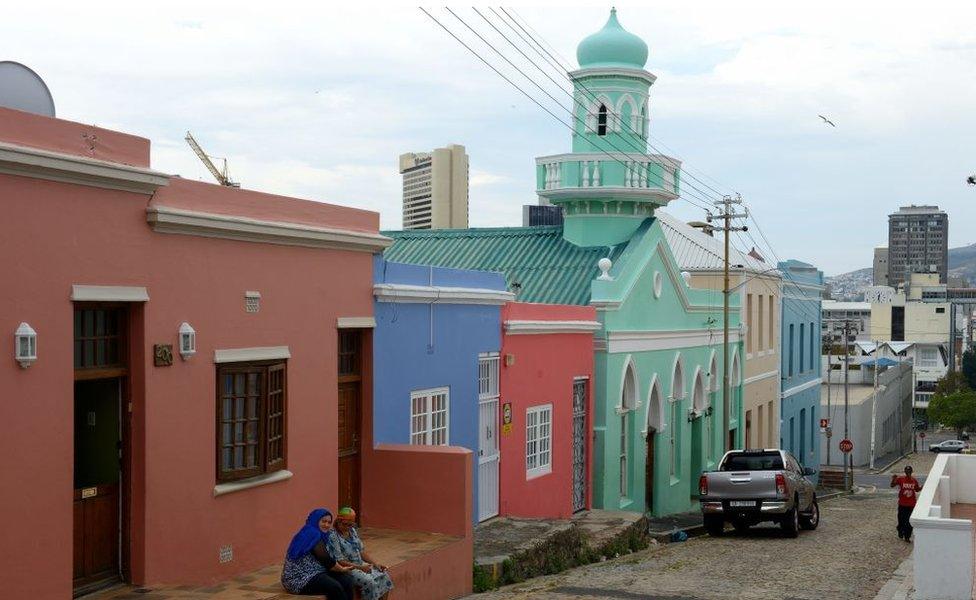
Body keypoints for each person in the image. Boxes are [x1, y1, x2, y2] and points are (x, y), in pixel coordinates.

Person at [281, 508, 355, 599]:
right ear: (315, 520)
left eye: (329, 522)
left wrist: (341, 570)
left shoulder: (322, 534)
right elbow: (325, 559)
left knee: (347, 580)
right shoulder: (311, 533)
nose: (327, 525)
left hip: (316, 571)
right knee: (334, 587)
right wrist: (341, 569)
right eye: (323, 521)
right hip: (299, 578)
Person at [327, 507, 394, 600]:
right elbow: (339, 560)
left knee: (383, 575)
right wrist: (360, 568)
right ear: (338, 521)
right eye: (345, 524)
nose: (348, 527)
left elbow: (361, 551)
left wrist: (375, 564)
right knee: (369, 581)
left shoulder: (352, 531)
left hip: (360, 564)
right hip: (347, 568)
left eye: (350, 524)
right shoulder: (333, 536)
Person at [890, 465, 922, 541]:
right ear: (905, 471)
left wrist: (922, 487)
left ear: (911, 472)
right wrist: (893, 479)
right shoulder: (901, 479)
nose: (908, 473)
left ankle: (907, 536)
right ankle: (900, 530)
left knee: (909, 521)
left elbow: (917, 489)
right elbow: (892, 485)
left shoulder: (914, 480)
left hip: (911, 504)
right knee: (901, 520)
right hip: (902, 504)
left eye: (909, 471)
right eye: (907, 471)